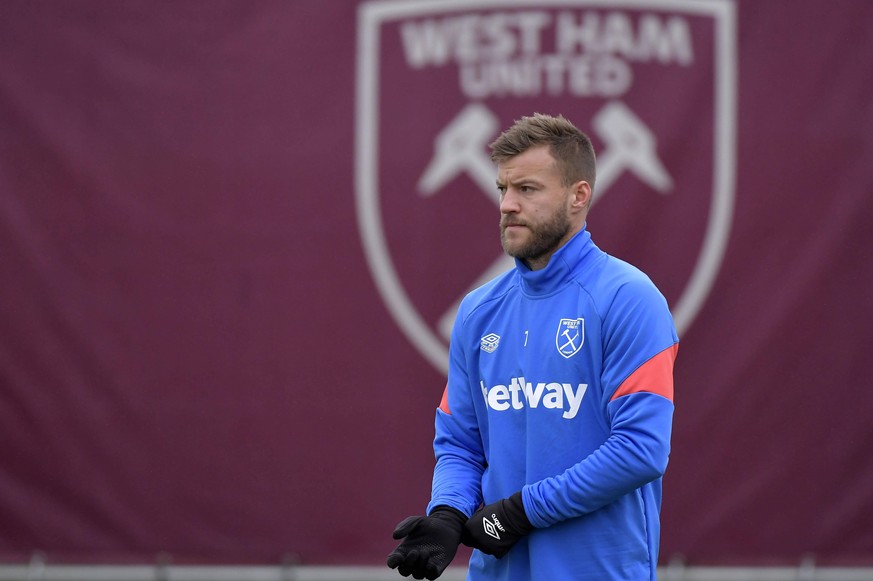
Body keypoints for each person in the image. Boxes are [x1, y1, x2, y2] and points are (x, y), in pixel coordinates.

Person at [387, 113, 679, 580]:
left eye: (527, 189)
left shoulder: (628, 298)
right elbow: (461, 444)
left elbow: (640, 449)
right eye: (503, 188)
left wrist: (521, 512)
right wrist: (447, 513)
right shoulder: (478, 311)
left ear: (578, 195)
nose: (506, 205)